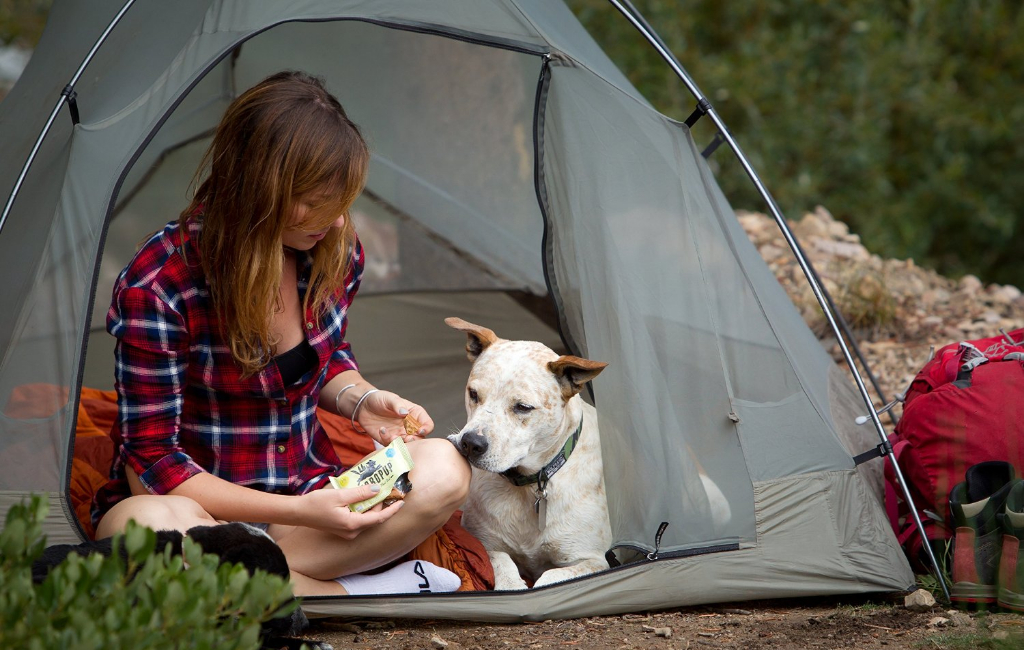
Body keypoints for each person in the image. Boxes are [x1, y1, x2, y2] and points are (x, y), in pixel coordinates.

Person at [91, 71, 471, 596]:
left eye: (342, 201)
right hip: (203, 518)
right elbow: (151, 465)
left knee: (443, 467)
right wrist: (298, 511)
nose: (337, 222)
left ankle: (254, 588)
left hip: (310, 505)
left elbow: (329, 356)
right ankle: (356, 592)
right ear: (257, 190)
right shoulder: (160, 285)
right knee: (142, 530)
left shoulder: (331, 249)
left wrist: (363, 401)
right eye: (316, 202)